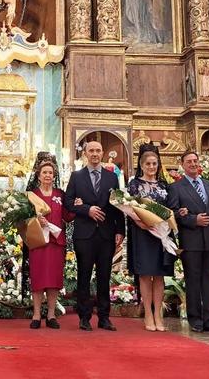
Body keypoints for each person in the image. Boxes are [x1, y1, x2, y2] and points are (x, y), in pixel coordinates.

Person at [64, 141, 125, 332]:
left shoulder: (111, 177)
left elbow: (118, 206)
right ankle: (84, 317)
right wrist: (87, 209)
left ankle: (104, 318)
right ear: (85, 154)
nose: (95, 154)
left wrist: (120, 231)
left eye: (98, 150)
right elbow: (68, 202)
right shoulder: (76, 176)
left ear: (102, 153)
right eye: (91, 150)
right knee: (84, 275)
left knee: (104, 276)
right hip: (85, 234)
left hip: (106, 234)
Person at [166, 151, 209, 334]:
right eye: (189, 161)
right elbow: (172, 214)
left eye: (195, 161)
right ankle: (195, 319)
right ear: (182, 164)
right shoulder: (176, 187)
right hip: (191, 241)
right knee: (193, 281)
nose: (192, 164)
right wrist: (193, 220)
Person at [127, 144, 175, 332]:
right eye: (148, 163)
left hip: (161, 234)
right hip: (142, 233)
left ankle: (158, 314)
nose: (152, 167)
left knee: (160, 275)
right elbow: (128, 208)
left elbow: (170, 209)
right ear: (141, 164)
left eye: (154, 163)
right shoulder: (134, 185)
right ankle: (148, 312)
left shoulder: (165, 186)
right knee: (146, 275)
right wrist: (139, 222)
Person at [26, 156, 73, 329]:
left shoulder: (60, 195)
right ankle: (37, 314)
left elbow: (67, 216)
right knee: (38, 279)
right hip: (38, 243)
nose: (47, 175)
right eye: (44, 172)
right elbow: (23, 219)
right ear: (38, 175)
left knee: (53, 280)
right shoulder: (32, 196)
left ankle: (51, 315)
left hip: (56, 243)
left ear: (54, 176)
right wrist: (35, 219)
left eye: (50, 173)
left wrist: (77, 205)